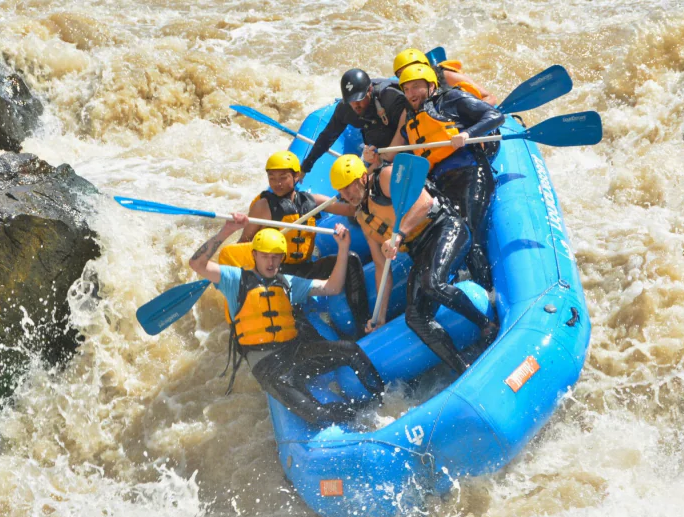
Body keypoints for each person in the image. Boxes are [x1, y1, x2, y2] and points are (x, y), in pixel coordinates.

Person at [189, 219, 384, 425]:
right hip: (269, 368)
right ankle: (360, 421)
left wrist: (343, 248)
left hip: (295, 353)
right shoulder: (234, 279)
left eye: (276, 257)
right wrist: (226, 231)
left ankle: (382, 400)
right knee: (320, 416)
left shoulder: (286, 282)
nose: (271, 263)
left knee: (350, 350)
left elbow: (332, 287)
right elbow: (197, 264)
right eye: (265, 256)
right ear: (254, 255)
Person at [330, 154, 497, 374]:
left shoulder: (385, 178)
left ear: (362, 177)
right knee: (415, 317)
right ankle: (462, 368)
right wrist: (379, 316)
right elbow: (382, 267)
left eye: (348, 187)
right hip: (423, 250)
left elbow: (424, 203)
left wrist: (398, 234)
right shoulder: (363, 216)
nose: (346, 195)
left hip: (447, 228)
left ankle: (487, 325)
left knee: (432, 283)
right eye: (341, 191)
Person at [219, 150, 370, 335]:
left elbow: (350, 209)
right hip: (278, 274)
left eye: (283, 177)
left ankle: (363, 323)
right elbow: (244, 244)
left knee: (352, 259)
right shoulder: (263, 207)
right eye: (272, 178)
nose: (277, 183)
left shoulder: (312, 201)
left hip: (305, 269)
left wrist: (368, 181)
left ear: (296, 176)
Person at [391, 63, 506, 290]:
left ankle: (488, 293)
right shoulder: (411, 121)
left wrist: (467, 133)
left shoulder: (451, 99)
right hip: (442, 184)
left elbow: (494, 115)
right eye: (407, 89)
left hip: (471, 173)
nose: (411, 93)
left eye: (416, 87)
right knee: (453, 237)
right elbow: (395, 155)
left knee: (468, 235)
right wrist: (373, 156)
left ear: (431, 85)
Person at [298, 68, 408, 177]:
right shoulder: (346, 109)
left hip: (401, 145)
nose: (355, 105)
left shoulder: (391, 99)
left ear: (369, 90)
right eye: (351, 100)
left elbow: (407, 132)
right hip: (377, 150)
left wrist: (385, 159)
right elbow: (327, 137)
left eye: (359, 99)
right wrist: (305, 167)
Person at [392, 48, 497, 106]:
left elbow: (489, 97)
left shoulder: (447, 76)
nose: (408, 75)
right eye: (401, 74)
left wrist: (477, 113)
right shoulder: (407, 91)